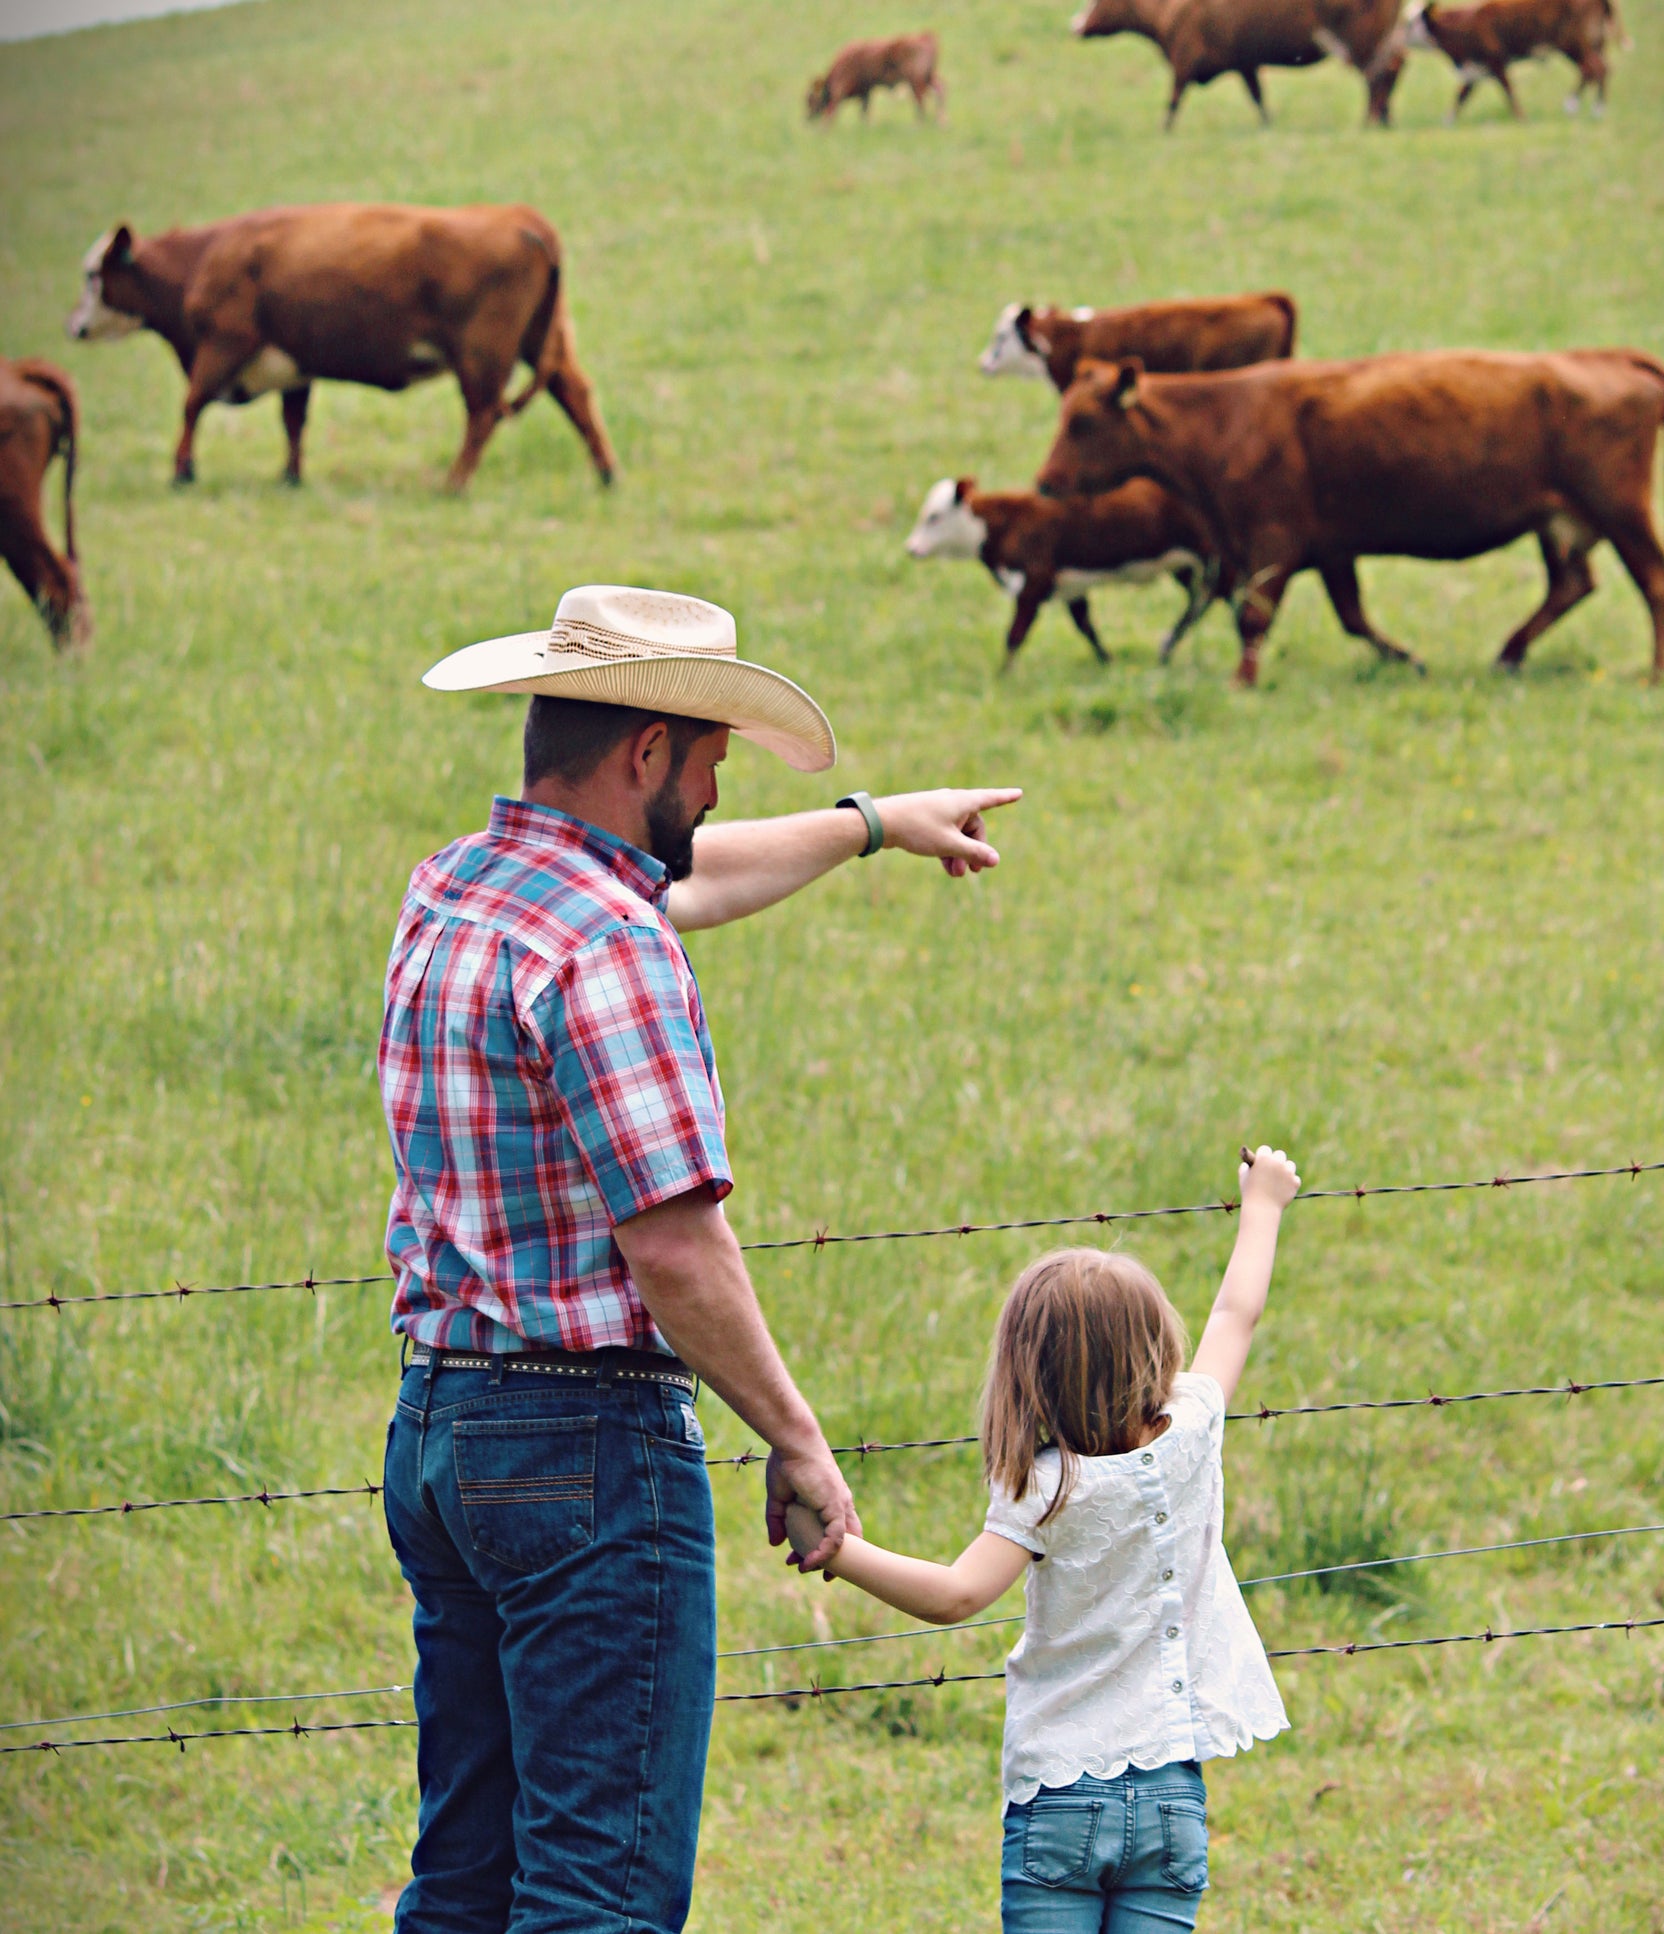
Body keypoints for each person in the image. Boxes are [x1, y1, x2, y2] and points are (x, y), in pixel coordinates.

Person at [377, 583, 1020, 1934]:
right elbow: (672, 1243)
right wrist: (794, 1432)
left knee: (466, 1879)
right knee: (593, 1895)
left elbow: (685, 876)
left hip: (441, 1429)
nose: (724, 779)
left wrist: (870, 827)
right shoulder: (611, 945)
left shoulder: (459, 887)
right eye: (714, 747)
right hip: (585, 1446)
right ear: (649, 751)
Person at [784, 1144, 1302, 1933]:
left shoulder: (1042, 1486)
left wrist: (839, 1549)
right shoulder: (1193, 1429)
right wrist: (1262, 1202)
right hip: (1170, 1794)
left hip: (1060, 1794)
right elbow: (1237, 1314)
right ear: (1157, 1349)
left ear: (1028, 1375)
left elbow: (957, 1596)